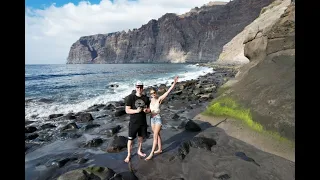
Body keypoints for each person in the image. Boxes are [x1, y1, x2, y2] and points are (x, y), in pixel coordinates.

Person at [145, 76, 179, 160]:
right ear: (150, 94)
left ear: (156, 92)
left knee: (155, 136)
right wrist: (146, 110)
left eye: (154, 93)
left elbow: (168, 92)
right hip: (152, 119)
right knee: (158, 135)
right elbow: (149, 110)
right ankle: (160, 149)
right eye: (151, 93)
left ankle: (151, 154)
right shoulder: (150, 101)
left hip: (158, 119)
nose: (153, 94)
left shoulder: (159, 99)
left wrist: (174, 83)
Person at [124, 81, 151, 163]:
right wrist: (136, 111)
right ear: (135, 87)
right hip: (133, 122)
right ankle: (129, 154)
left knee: (140, 138)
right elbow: (127, 110)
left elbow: (149, 109)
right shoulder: (130, 97)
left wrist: (147, 110)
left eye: (141, 87)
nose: (139, 89)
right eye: (138, 87)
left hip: (143, 122)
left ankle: (139, 150)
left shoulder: (146, 98)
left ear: (143, 88)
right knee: (130, 139)